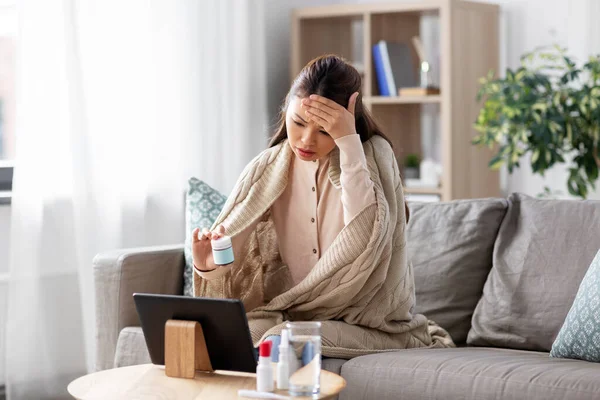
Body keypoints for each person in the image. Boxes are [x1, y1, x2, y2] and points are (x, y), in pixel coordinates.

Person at [192, 54, 454, 361]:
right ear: (286, 110)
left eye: (325, 130)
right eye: (298, 122)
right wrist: (208, 265)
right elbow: (233, 243)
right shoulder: (268, 167)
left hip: (365, 322)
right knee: (229, 335)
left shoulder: (372, 156)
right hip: (292, 312)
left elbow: (366, 233)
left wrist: (348, 142)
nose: (305, 140)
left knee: (280, 340)